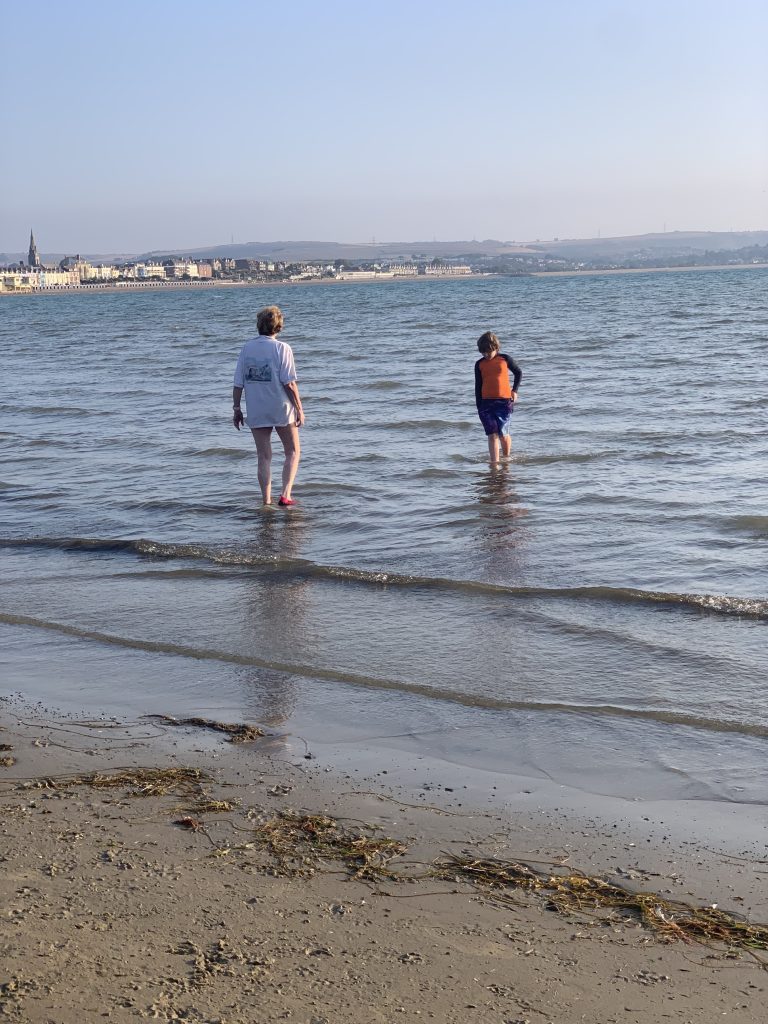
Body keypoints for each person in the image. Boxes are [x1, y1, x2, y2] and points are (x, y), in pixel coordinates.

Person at [232, 305, 304, 507]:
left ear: (259, 325)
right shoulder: (282, 348)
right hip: (280, 407)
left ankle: (266, 501)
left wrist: (237, 409)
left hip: (256, 408)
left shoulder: (247, 348)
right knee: (292, 451)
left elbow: (238, 383)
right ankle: (285, 495)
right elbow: (289, 382)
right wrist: (299, 408)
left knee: (263, 456)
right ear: (279, 327)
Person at [474, 331, 522, 463]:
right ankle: (494, 464)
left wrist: (515, 390)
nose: (485, 355)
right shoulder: (479, 364)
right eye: (482, 352)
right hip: (485, 404)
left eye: (488, 352)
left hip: (504, 402)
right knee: (492, 434)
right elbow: (478, 386)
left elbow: (518, 372)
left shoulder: (505, 359)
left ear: (495, 347)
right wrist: (479, 406)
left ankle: (506, 458)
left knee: (503, 434)